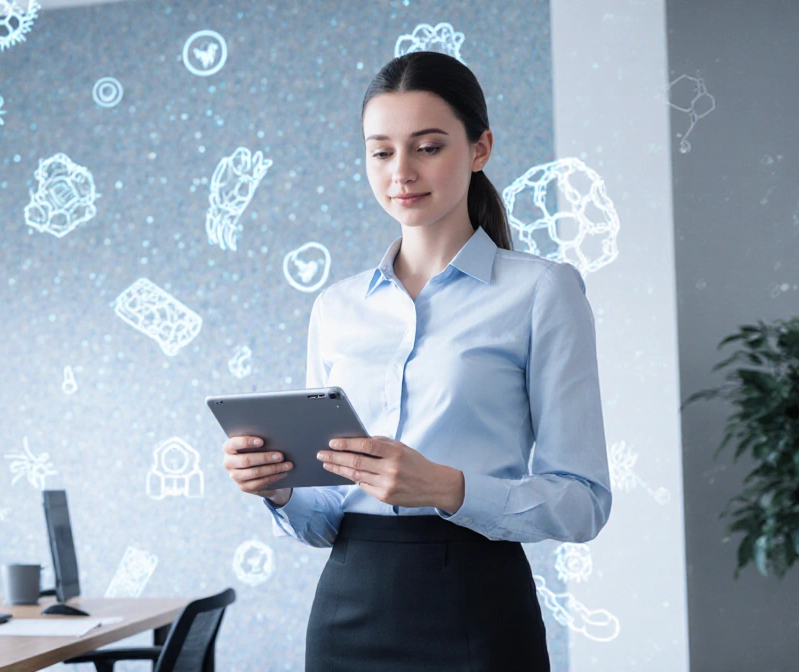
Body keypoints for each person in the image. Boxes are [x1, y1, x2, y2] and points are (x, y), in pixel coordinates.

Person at [220, 51, 612, 671]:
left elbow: (584, 502)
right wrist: (278, 488)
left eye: (427, 147)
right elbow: (325, 518)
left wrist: (447, 488)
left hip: (478, 610)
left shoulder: (543, 291)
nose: (401, 171)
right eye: (381, 151)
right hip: (347, 608)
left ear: (480, 148)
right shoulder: (336, 306)